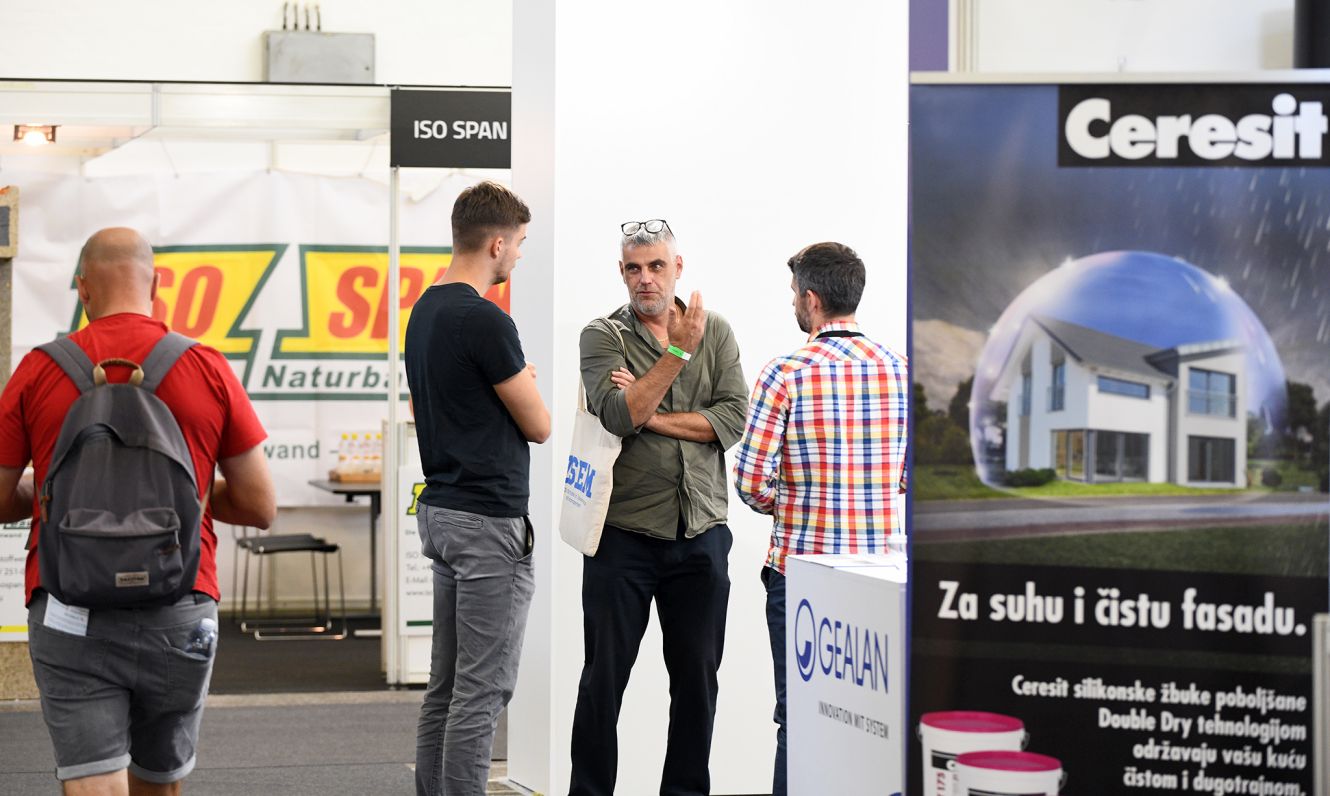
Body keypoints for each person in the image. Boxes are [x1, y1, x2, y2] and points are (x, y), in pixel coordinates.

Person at [0, 227, 276, 796]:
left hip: (69, 605)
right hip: (180, 603)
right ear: (155, 284)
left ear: (82, 288)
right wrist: (191, 501)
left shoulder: (39, 369)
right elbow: (258, 505)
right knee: (159, 780)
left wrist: (44, 493)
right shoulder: (205, 365)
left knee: (92, 780)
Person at [569, 219, 747, 796]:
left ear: (677, 268)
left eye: (656, 266)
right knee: (603, 682)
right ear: (621, 273)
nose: (645, 278)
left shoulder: (716, 330)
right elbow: (618, 415)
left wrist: (651, 412)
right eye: (634, 268)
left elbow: (732, 420)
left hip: (701, 532)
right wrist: (676, 354)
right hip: (623, 535)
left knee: (697, 683)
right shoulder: (603, 336)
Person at [732, 241, 908, 796]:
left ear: (810, 299)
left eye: (793, 293)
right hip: (881, 578)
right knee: (876, 728)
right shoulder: (902, 372)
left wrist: (797, 499)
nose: (793, 302)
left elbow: (751, 482)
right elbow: (913, 479)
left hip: (801, 575)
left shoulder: (785, 373)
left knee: (801, 721)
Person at [404, 181, 549, 796]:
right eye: (519, 243)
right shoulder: (487, 320)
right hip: (488, 520)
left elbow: (452, 401)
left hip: (443, 510)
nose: (519, 254)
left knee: (446, 687)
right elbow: (538, 425)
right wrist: (525, 383)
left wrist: (512, 381)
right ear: (496, 244)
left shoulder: (425, 310)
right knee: (481, 689)